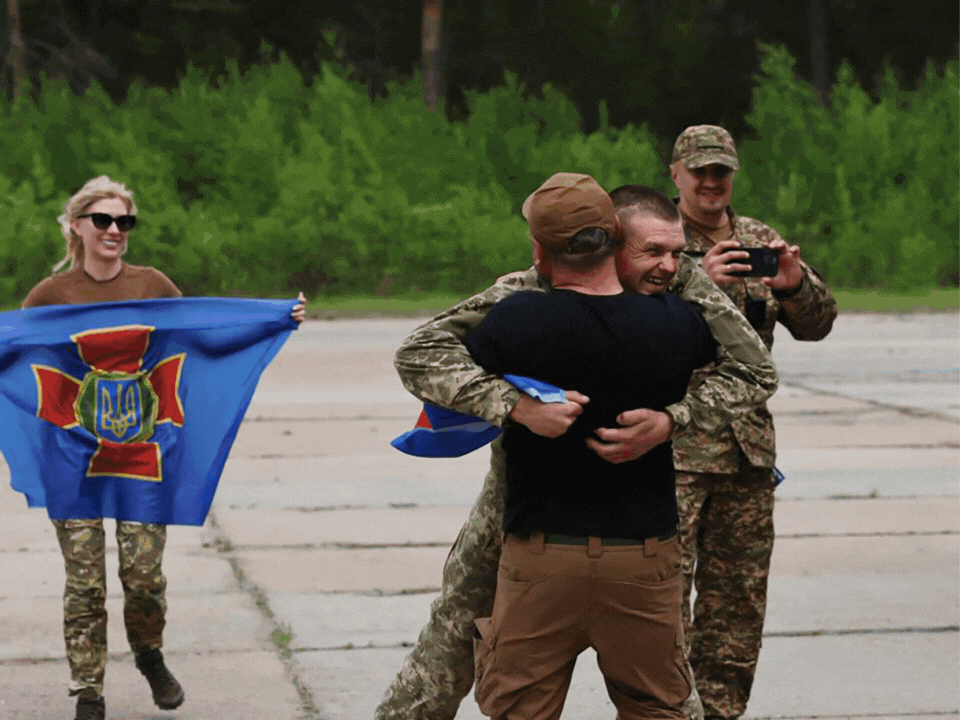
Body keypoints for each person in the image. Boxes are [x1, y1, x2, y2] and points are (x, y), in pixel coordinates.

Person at [376, 183, 778, 720]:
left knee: (663, 672)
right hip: (519, 504)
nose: (668, 267)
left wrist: (672, 419)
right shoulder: (530, 291)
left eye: (677, 254)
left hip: (634, 514)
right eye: (653, 252)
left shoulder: (680, 297)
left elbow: (755, 369)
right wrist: (513, 404)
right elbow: (423, 351)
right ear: (610, 243)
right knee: (455, 630)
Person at [20, 175, 305, 720]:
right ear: (77, 225)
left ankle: (149, 653)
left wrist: (270, 320)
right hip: (73, 457)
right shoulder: (51, 295)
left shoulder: (151, 285)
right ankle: (88, 692)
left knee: (143, 579)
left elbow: (201, 334)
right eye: (103, 220)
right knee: (84, 584)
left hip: (140, 456)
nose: (114, 230)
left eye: (124, 221)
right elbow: (15, 351)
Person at [463, 172, 715, 718]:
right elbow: (746, 370)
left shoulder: (512, 321)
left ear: (539, 251)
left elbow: (433, 361)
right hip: (643, 561)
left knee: (520, 709)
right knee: (658, 707)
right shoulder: (679, 324)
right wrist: (670, 421)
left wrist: (516, 405)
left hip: (541, 560)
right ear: (614, 241)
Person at [668, 125, 836, 719]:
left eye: (721, 171)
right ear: (676, 174)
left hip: (746, 454)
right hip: (674, 452)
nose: (711, 182)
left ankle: (720, 713)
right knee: (661, 604)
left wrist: (794, 286)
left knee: (736, 607)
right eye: (700, 171)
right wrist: (697, 285)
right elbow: (627, 324)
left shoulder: (759, 239)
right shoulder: (654, 240)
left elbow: (818, 324)